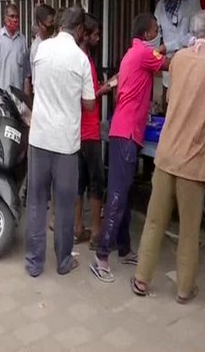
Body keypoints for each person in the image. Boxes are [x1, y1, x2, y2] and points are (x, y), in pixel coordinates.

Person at [131, 10, 205, 303]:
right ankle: (184, 290)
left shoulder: (178, 60)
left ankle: (141, 279)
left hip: (166, 155)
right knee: (189, 230)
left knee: (154, 221)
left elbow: (169, 98)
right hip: (194, 160)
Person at [90, 12, 167, 284]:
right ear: (147, 34)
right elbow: (167, 64)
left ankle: (123, 248)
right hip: (125, 134)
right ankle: (101, 257)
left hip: (124, 132)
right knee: (119, 196)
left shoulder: (131, 55)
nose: (158, 33)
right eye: (156, 30)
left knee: (126, 193)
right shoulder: (144, 54)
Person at [25, 6, 95, 278]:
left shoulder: (41, 49)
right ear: (79, 30)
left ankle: (33, 263)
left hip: (39, 138)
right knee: (64, 207)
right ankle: (63, 261)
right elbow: (88, 104)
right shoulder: (80, 59)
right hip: (66, 145)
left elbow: (38, 84)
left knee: (36, 202)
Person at [76, 13, 113, 247]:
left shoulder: (82, 58)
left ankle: (78, 228)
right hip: (88, 130)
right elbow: (86, 97)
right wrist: (106, 88)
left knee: (79, 181)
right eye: (96, 35)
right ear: (85, 35)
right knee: (96, 181)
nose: (99, 39)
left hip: (78, 131)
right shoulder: (83, 61)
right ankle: (97, 233)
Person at [154, 0, 202, 94]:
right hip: (169, 71)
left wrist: (169, 46)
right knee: (169, 108)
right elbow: (157, 33)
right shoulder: (160, 6)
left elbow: (196, 33)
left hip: (189, 65)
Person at [0, 4, 31, 103]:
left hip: (18, 99)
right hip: (1, 98)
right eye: (12, 16)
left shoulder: (22, 40)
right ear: (5, 18)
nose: (15, 20)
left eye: (17, 16)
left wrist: (27, 99)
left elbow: (26, 73)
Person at [29, 3, 56, 83]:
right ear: (40, 23)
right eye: (49, 23)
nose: (52, 26)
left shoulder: (53, 41)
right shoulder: (37, 47)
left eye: (53, 23)